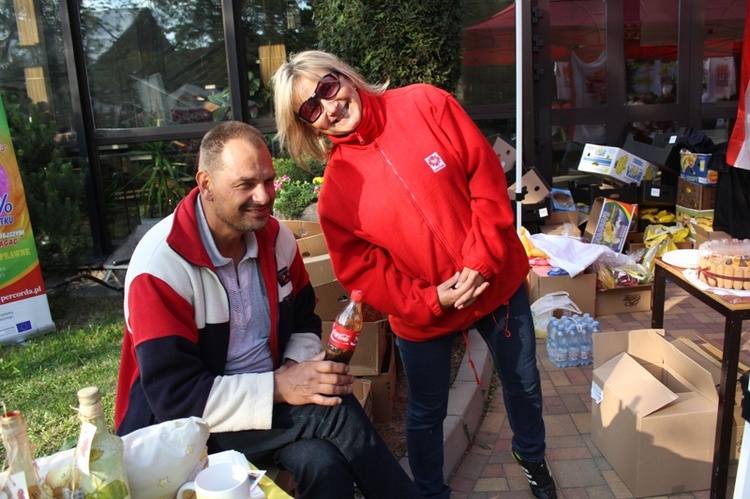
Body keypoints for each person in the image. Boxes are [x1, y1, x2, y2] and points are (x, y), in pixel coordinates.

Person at [273, 50, 557, 499]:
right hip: (424, 314)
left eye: (327, 88)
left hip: (496, 283)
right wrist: (430, 301)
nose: (329, 106)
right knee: (426, 413)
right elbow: (363, 272)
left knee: (523, 383)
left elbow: (485, 181)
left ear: (345, 76)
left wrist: (480, 261)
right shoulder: (336, 193)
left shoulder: (426, 103)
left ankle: (532, 458)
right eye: (311, 109)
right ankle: (428, 494)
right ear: (308, 126)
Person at [114, 120, 421, 499]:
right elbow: (175, 400)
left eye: (268, 180)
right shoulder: (161, 265)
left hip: (266, 410)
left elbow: (306, 320)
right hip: (182, 431)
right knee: (334, 409)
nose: (263, 196)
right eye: (245, 184)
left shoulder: (277, 240)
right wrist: (281, 386)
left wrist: (295, 372)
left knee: (323, 462)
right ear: (205, 184)